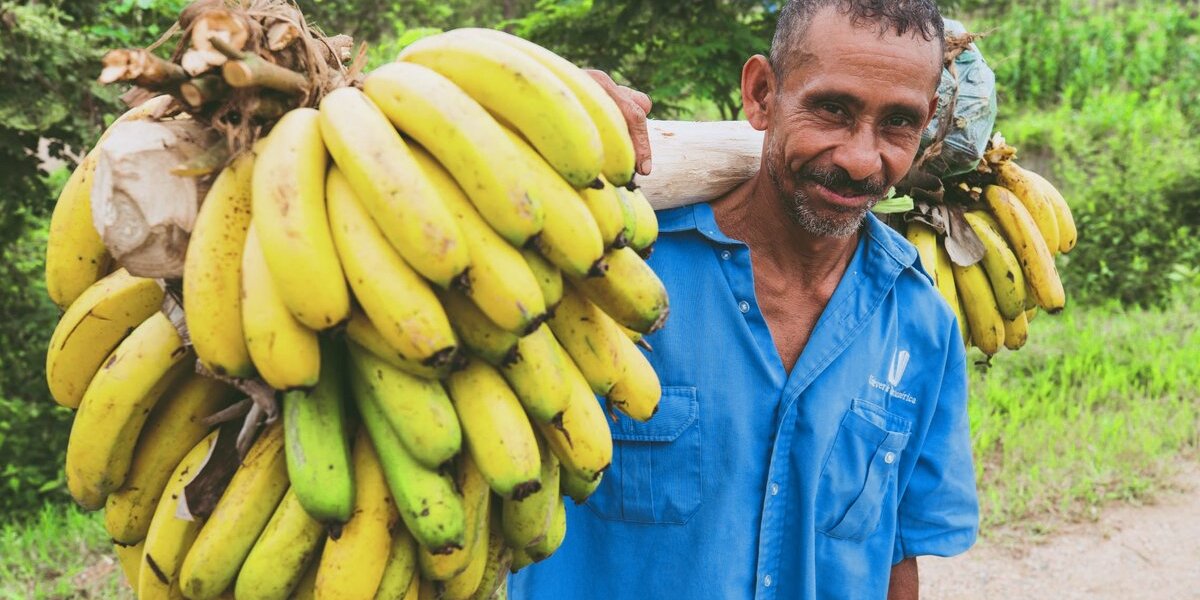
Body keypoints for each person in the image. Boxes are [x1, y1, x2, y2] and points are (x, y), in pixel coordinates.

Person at [509, 1, 979, 598]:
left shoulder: (920, 323)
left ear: (928, 122)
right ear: (761, 94)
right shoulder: (599, 275)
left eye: (898, 123)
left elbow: (892, 554)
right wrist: (525, 122)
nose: (862, 159)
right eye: (832, 110)